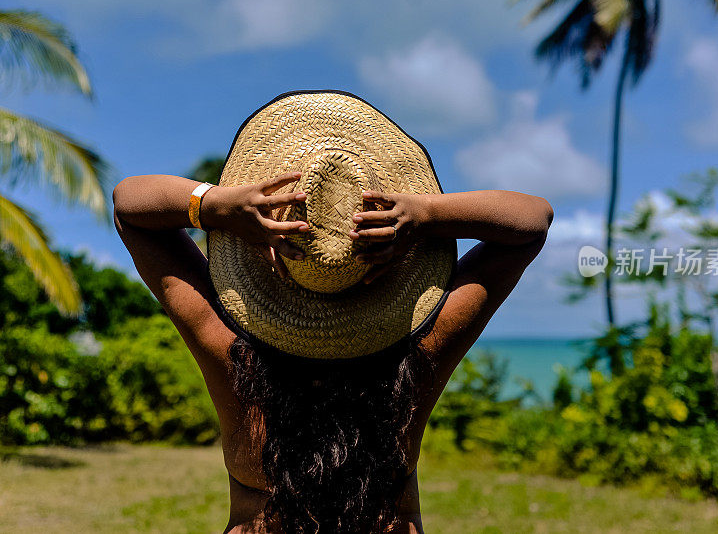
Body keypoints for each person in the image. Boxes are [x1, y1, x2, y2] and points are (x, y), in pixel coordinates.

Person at [113, 91, 553, 533]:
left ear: (268, 258)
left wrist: (214, 207)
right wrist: (428, 214)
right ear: (392, 265)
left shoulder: (228, 351)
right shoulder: (419, 355)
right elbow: (532, 221)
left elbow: (129, 206)